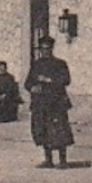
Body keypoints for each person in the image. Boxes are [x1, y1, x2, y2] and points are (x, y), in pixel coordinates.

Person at [23, 35, 74, 168]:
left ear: (52, 49)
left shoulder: (60, 64)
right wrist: (32, 87)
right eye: (43, 49)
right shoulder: (36, 65)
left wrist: (49, 80)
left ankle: (63, 160)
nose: (45, 51)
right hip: (40, 103)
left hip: (56, 103)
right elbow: (27, 83)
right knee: (43, 130)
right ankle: (48, 159)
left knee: (59, 131)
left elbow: (66, 80)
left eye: (48, 49)